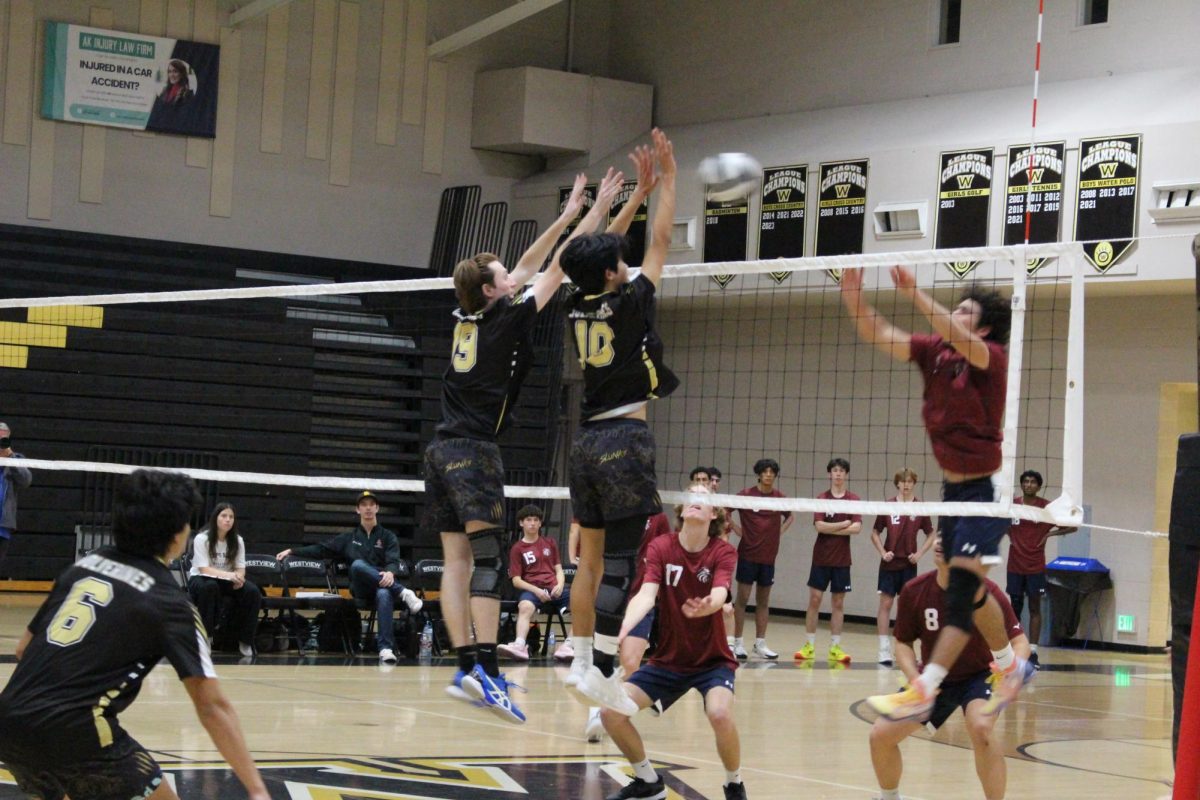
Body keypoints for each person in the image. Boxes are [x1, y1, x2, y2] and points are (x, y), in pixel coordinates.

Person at [424, 168, 624, 724]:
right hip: (473, 451)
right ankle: (487, 670)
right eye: (501, 275)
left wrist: (563, 215)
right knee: (486, 557)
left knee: (456, 560)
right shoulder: (506, 321)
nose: (511, 275)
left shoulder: (467, 314)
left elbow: (527, 267)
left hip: (439, 450)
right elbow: (557, 266)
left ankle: (466, 665)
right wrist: (596, 210)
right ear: (492, 290)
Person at [0, 469, 269, 800]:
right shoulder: (170, 603)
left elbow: (24, 648)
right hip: (79, 731)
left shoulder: (84, 567)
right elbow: (212, 706)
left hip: (10, 723)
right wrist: (257, 791)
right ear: (177, 534)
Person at [840, 265, 1029, 720]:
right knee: (972, 590)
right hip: (951, 493)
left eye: (965, 310)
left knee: (961, 595)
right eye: (956, 308)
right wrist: (853, 294)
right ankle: (1011, 665)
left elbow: (958, 336)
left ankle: (925, 686)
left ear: (982, 326)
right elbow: (878, 331)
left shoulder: (992, 356)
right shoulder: (935, 353)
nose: (954, 314)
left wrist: (915, 293)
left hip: (987, 491)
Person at [560, 129, 679, 715]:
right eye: (619, 260)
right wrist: (670, 182)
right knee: (624, 565)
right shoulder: (631, 300)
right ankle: (603, 670)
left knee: (590, 559)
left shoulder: (572, 298)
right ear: (613, 272)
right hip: (624, 438)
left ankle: (580, 657)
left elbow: (585, 252)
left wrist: (628, 200)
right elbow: (658, 239)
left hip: (583, 443)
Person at [600, 484, 746, 800]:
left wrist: (712, 603)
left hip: (712, 662)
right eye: (690, 495)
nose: (695, 499)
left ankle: (734, 784)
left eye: (703, 496)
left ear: (714, 513)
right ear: (680, 509)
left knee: (719, 714)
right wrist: (622, 628)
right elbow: (646, 595)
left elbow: (721, 591)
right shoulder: (661, 547)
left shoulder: (722, 551)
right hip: (669, 661)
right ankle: (648, 782)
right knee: (610, 713)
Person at [868, 533, 1029, 800]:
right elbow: (903, 643)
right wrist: (915, 680)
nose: (942, 542)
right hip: (934, 678)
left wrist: (1013, 673)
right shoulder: (915, 590)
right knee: (880, 735)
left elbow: (1019, 642)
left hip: (980, 676)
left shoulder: (987, 593)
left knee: (981, 729)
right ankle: (889, 797)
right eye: (940, 535)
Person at [276, 490, 421, 665]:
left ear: (377, 508)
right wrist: (292, 551)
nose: (368, 508)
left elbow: (393, 561)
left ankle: (385, 649)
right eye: (363, 505)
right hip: (360, 588)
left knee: (384, 594)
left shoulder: (388, 536)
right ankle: (404, 592)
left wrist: (390, 572)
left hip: (382, 586)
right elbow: (320, 549)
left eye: (371, 505)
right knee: (358, 565)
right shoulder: (348, 538)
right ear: (357, 510)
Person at [1006, 469, 1076, 667]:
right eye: (1025, 481)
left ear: (1038, 486)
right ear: (1022, 484)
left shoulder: (1046, 508)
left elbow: (1073, 526)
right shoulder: (1013, 506)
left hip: (1035, 566)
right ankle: (1014, 650)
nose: (1029, 484)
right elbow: (998, 523)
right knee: (1015, 608)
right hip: (1014, 565)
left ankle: (1033, 652)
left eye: (1032, 482)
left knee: (1035, 607)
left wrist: (1048, 535)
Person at [796, 458, 861, 664]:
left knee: (838, 603)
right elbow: (820, 527)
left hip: (842, 560)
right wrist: (843, 523)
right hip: (821, 558)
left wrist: (832, 526)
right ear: (829, 474)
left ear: (846, 474)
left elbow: (857, 529)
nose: (838, 474)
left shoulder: (853, 499)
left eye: (842, 471)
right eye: (835, 470)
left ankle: (835, 647)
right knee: (814, 600)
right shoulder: (822, 498)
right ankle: (809, 646)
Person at [730, 458, 794, 660]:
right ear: (758, 474)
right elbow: (724, 510)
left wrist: (778, 533)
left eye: (771, 471)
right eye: (765, 471)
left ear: (775, 475)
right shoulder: (745, 495)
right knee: (742, 598)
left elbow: (790, 516)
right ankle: (737, 643)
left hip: (768, 557)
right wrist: (738, 530)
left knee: (763, 601)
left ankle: (760, 643)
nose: (768, 474)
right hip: (748, 554)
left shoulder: (779, 497)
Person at [871, 468, 935, 665]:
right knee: (886, 604)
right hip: (889, 564)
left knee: (906, 608)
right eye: (903, 481)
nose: (906, 484)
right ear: (897, 483)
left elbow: (931, 534)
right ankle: (883, 650)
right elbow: (874, 532)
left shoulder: (920, 507)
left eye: (910, 481)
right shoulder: (888, 505)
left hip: (908, 565)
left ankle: (904, 650)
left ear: (914, 484)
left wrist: (920, 554)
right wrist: (883, 552)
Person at [187, 503, 262, 658]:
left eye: (231, 517)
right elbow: (204, 569)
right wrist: (229, 576)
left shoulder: (237, 540)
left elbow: (240, 568)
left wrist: (239, 578)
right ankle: (206, 637)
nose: (228, 520)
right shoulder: (202, 538)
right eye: (224, 516)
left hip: (226, 580)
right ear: (215, 518)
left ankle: (245, 639)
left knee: (252, 591)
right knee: (210, 587)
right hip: (201, 579)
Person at [499, 504, 569, 661]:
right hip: (532, 589)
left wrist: (560, 585)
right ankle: (520, 645)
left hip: (554, 587)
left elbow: (559, 570)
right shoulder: (517, 548)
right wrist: (537, 591)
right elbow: (516, 581)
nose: (532, 523)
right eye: (528, 520)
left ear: (540, 523)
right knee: (524, 606)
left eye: (536, 520)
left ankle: (570, 645)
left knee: (582, 603)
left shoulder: (550, 543)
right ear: (521, 523)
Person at [0, 421, 32, 576]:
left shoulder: (16, 459)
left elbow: (26, 480)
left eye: (4, 439)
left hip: (2, 525)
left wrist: (10, 458)